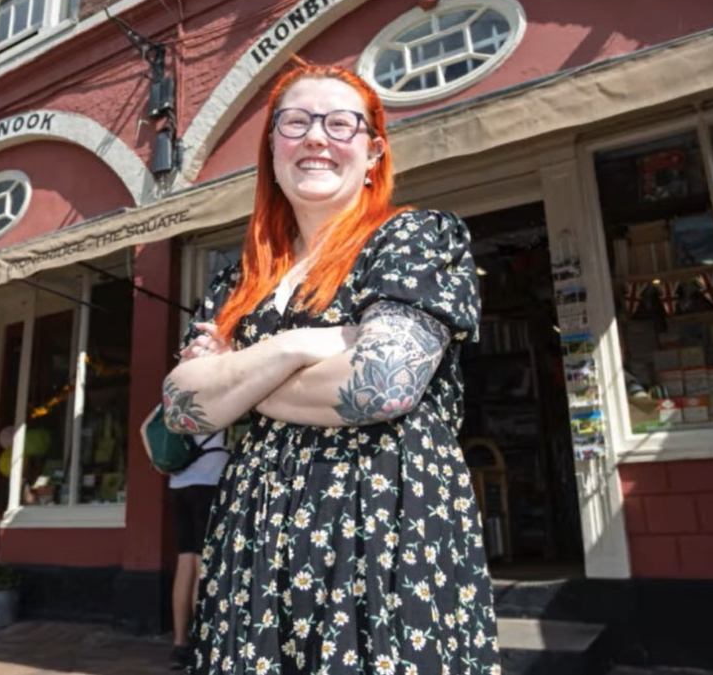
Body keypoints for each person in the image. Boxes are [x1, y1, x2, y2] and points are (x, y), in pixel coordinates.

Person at [161, 65, 499, 673]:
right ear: (272, 150)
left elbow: (380, 385)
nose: (316, 137)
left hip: (384, 533)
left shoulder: (413, 238)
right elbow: (183, 409)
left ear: (373, 153)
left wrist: (236, 379)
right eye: (296, 122)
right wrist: (298, 346)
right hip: (253, 547)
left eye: (340, 123)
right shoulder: (236, 282)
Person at [166, 429, 227, 670]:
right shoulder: (215, 392)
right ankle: (203, 643)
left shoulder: (176, 396)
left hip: (178, 483)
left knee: (185, 561)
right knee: (203, 563)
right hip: (209, 481)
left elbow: (144, 429)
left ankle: (180, 644)